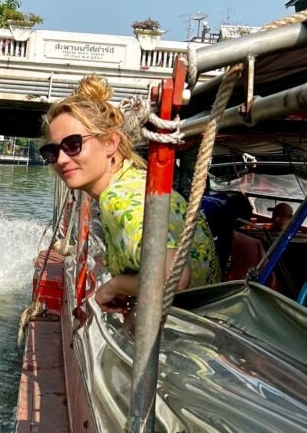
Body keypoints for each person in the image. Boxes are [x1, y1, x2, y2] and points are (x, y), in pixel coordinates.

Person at [40, 74, 220, 309]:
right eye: (51, 152)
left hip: (191, 328)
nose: (61, 160)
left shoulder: (121, 200)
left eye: (73, 144)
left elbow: (172, 279)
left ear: (110, 143)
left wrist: (113, 287)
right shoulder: (135, 181)